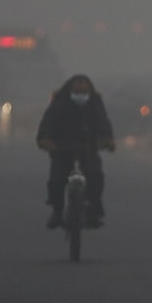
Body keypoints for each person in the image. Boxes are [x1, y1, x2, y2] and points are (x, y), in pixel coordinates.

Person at [36, 74, 115, 229]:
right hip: (62, 148)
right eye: (77, 92)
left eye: (84, 92)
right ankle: (57, 211)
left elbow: (104, 123)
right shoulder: (60, 103)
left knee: (96, 176)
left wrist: (107, 140)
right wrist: (44, 140)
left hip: (88, 148)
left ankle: (94, 210)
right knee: (56, 180)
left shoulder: (95, 104)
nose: (81, 96)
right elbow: (48, 122)